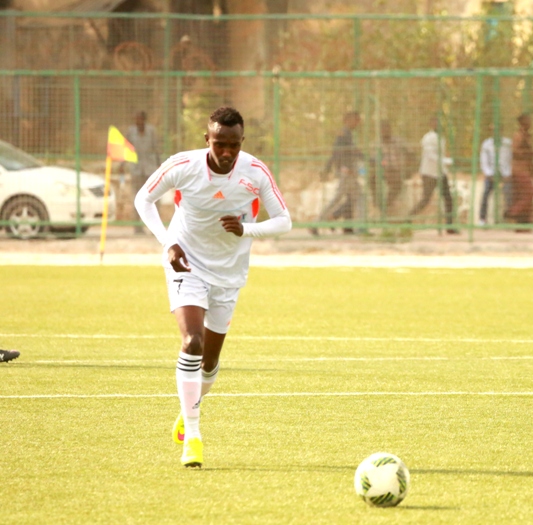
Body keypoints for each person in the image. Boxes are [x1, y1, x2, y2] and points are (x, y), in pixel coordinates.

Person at [134, 106, 292, 468]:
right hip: (186, 262)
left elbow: (284, 221)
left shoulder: (255, 172)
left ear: (242, 142)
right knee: (193, 341)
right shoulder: (183, 165)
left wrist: (247, 230)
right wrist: (167, 242)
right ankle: (193, 436)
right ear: (207, 139)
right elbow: (143, 198)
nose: (226, 152)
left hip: (229, 274)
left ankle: (189, 407)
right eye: (219, 143)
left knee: (210, 361)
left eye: (233, 145)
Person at [409, 117, 457, 234]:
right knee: (426, 199)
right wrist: (446, 161)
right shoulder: (428, 138)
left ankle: (449, 225)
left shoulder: (441, 138)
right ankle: (408, 218)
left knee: (448, 198)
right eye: (435, 123)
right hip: (429, 173)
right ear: (431, 124)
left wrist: (445, 165)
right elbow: (430, 155)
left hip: (440, 173)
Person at [320, 111, 364, 234]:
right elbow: (338, 152)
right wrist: (329, 168)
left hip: (348, 171)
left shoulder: (349, 134)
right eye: (356, 120)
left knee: (356, 198)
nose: (358, 123)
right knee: (340, 198)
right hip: (346, 171)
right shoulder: (344, 134)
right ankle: (318, 221)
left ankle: (354, 227)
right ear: (348, 120)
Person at [125, 111, 161, 233]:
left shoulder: (151, 131)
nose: (138, 122)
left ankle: (154, 228)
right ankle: (137, 227)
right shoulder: (131, 131)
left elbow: (157, 148)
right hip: (136, 169)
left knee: (153, 197)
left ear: (144, 120)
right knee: (137, 198)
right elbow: (126, 148)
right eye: (136, 119)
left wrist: (160, 164)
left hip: (150, 169)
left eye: (140, 119)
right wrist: (122, 164)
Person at [369, 120, 409, 214]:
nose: (385, 130)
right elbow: (373, 159)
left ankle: (386, 204)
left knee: (398, 185)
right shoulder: (376, 143)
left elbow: (408, 154)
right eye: (382, 129)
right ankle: (377, 201)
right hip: (382, 169)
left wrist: (405, 166)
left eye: (387, 128)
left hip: (396, 169)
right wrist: (384, 166)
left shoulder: (398, 141)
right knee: (372, 179)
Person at [505, 113, 533, 231]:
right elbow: (514, 151)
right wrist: (530, 153)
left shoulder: (527, 136)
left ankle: (523, 225)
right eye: (528, 121)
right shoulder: (518, 135)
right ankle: (512, 212)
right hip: (519, 170)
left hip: (526, 169)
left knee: (521, 196)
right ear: (522, 122)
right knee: (529, 193)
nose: (530, 123)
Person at [478, 125, 512, 225]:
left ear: (501, 131)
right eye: (494, 131)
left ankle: (509, 218)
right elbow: (484, 162)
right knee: (485, 193)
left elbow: (511, 159)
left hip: (505, 174)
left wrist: (508, 175)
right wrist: (489, 175)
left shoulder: (508, 143)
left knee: (509, 193)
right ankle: (482, 219)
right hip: (491, 174)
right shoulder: (486, 144)